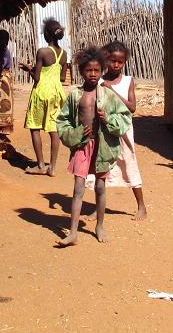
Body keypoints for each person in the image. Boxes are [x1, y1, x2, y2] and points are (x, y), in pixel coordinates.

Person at [56, 47, 132, 246]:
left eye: (96, 70)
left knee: (100, 187)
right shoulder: (75, 96)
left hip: (102, 146)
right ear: (81, 71)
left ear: (102, 71)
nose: (92, 74)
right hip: (82, 146)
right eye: (88, 70)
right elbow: (63, 121)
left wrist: (108, 120)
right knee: (78, 188)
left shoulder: (108, 95)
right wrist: (75, 133)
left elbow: (125, 117)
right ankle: (73, 232)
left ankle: (100, 226)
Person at [100, 40, 147, 220]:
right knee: (101, 168)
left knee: (129, 162)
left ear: (125, 62)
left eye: (120, 62)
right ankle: (99, 207)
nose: (116, 65)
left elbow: (132, 107)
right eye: (113, 61)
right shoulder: (100, 81)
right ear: (106, 60)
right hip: (104, 130)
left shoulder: (127, 81)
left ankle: (141, 206)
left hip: (123, 129)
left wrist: (112, 90)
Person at [20, 18, 67, 176]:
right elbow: (62, 78)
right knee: (54, 129)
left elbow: (37, 77)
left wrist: (29, 68)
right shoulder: (64, 54)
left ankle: (40, 165)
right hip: (56, 93)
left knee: (35, 127)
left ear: (47, 34)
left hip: (41, 92)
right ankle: (52, 167)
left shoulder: (43, 52)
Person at [0, 29, 14, 136]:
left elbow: (0, 66)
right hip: (5, 79)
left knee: (1, 103)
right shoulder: (4, 51)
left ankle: (1, 129)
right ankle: (1, 130)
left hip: (2, 79)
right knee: (1, 103)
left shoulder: (3, 52)